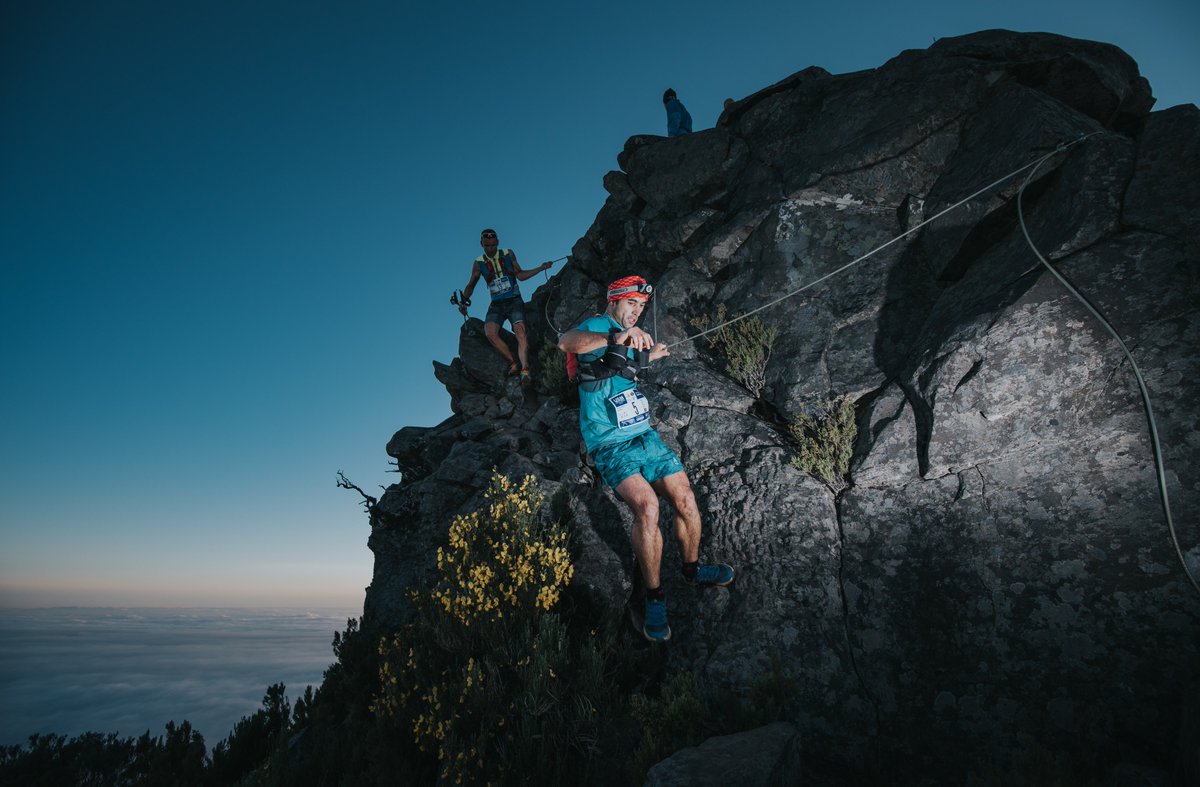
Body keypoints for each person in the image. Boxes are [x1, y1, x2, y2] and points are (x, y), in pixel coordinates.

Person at [557, 276, 735, 643]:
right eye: (630, 304)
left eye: (640, 307)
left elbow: (623, 367)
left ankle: (692, 568)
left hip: (645, 436)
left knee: (686, 499)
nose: (636, 312)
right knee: (649, 508)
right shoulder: (598, 325)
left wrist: (649, 355)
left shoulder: (633, 331)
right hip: (609, 443)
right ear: (613, 302)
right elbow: (566, 342)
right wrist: (614, 338)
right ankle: (653, 597)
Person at [459, 228, 551, 385]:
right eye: (487, 246)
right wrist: (463, 301)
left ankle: (525, 369)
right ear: (481, 244)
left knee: (520, 332)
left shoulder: (508, 254)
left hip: (514, 300)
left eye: (493, 245)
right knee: (490, 333)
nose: (490, 249)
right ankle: (513, 361)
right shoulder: (478, 263)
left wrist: (541, 268)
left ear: (498, 243)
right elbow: (471, 285)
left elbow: (520, 275)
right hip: (496, 304)